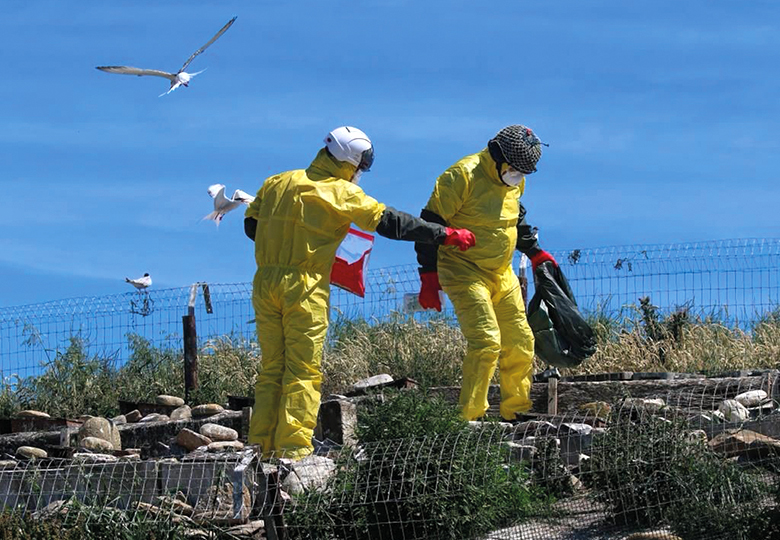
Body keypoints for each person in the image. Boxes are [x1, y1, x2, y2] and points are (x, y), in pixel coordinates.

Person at [244, 126, 476, 459]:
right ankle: (292, 452)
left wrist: (289, 245)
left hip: (265, 282)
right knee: (302, 370)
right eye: (362, 165)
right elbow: (392, 223)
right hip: (305, 286)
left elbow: (251, 226)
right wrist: (445, 234)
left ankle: (259, 448)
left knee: (271, 370)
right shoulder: (343, 193)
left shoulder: (277, 182)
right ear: (352, 162)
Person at [414, 124, 558, 422]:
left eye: (523, 172)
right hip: (463, 269)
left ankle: (516, 411)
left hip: (501, 272)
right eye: (515, 169)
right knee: (487, 341)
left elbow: (514, 218)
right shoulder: (461, 176)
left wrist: (533, 251)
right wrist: (428, 275)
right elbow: (428, 224)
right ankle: (469, 417)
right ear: (497, 156)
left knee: (520, 341)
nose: (517, 176)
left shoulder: (514, 181)